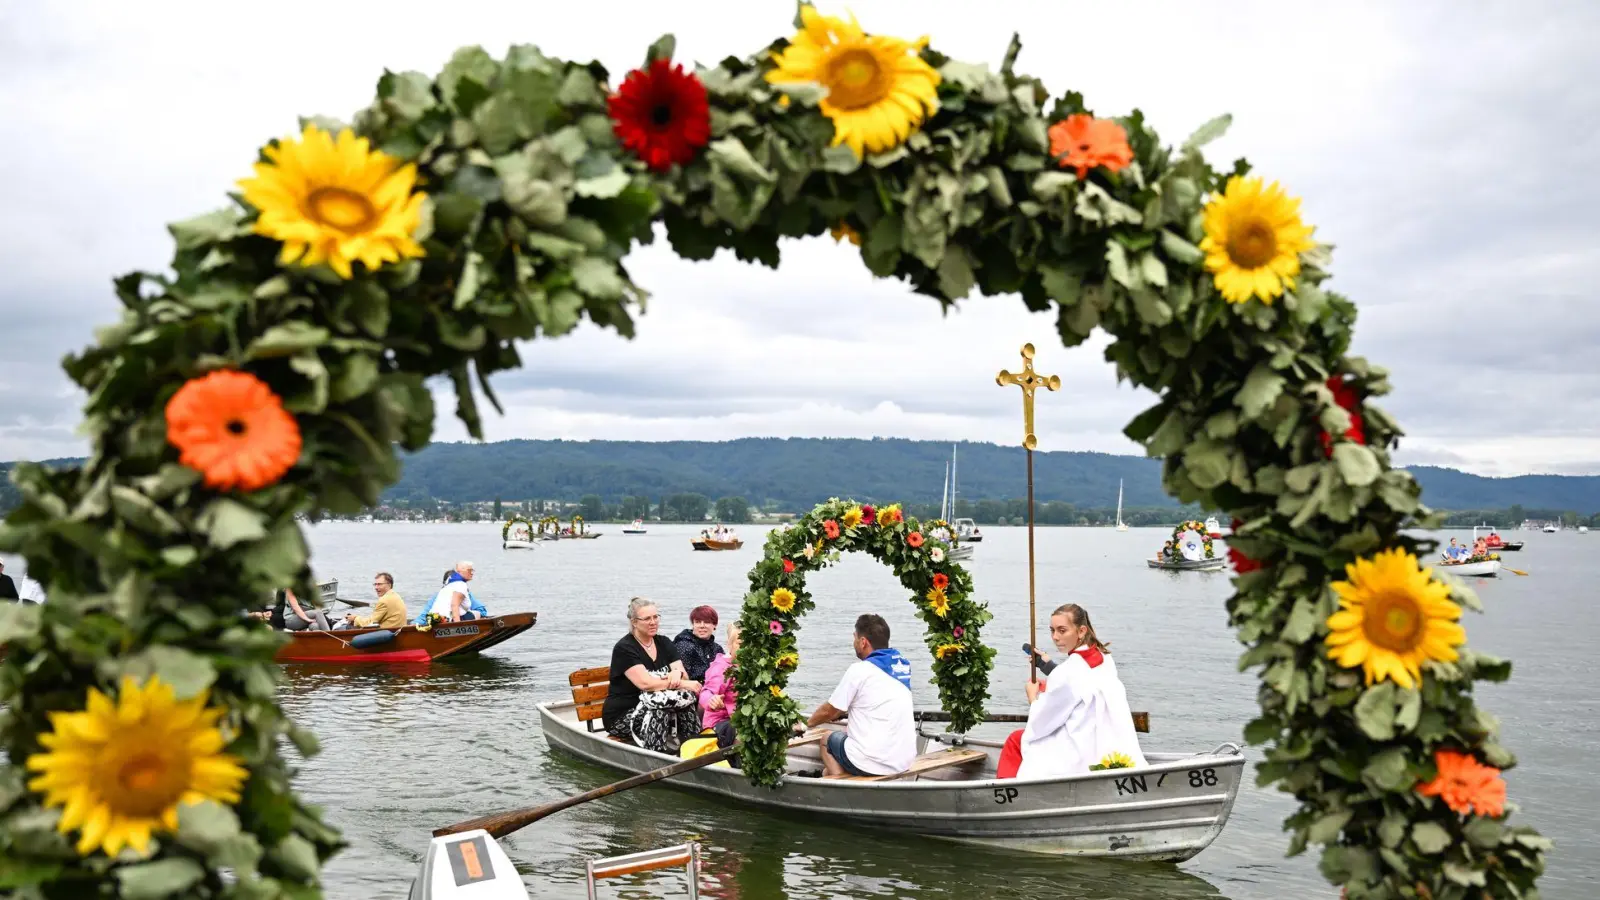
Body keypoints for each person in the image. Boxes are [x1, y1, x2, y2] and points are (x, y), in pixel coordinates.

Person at [997, 603, 1148, 779]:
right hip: (1106, 742)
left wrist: (1033, 697)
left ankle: (1006, 790)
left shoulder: (1065, 673)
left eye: (1062, 630)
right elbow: (1079, 682)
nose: (1055, 637)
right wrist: (1047, 666)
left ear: (1082, 631)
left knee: (1016, 739)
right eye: (1052, 630)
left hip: (1078, 751)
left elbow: (1042, 721)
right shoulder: (1104, 657)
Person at [798, 614, 915, 778]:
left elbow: (830, 711)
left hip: (873, 763)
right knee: (827, 770)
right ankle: (829, 775)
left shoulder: (859, 670)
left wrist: (804, 725)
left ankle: (840, 789)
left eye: (854, 638)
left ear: (863, 642)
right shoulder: (902, 666)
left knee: (826, 739)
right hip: (903, 762)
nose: (853, 643)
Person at [603, 597, 702, 752]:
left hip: (660, 702)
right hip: (623, 713)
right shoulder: (625, 648)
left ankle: (694, 750)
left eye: (656, 617)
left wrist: (677, 673)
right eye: (647, 618)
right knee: (659, 712)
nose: (653, 622)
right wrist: (680, 682)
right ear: (634, 622)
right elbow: (646, 684)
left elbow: (683, 674)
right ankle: (655, 757)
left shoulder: (664, 642)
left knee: (686, 705)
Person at [699, 621, 741, 749]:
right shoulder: (721, 668)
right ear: (730, 644)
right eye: (740, 644)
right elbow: (705, 693)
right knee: (745, 728)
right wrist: (712, 700)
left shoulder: (754, 668)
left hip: (742, 718)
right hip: (718, 725)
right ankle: (741, 765)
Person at [417, 561, 486, 625]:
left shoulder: (447, 586)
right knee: (478, 614)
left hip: (434, 619)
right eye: (469, 570)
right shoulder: (461, 585)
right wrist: (457, 626)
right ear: (460, 571)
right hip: (447, 620)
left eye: (472, 570)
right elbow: (454, 605)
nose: (472, 573)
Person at [673, 606, 725, 683]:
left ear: (714, 625)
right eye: (697, 622)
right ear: (693, 624)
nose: (702, 626)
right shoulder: (684, 646)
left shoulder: (717, 649)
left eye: (706, 622)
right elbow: (682, 679)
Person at [341, 572, 407, 630]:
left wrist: (355, 619)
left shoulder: (384, 600)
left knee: (342, 628)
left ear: (389, 585)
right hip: (396, 631)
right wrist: (356, 618)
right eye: (375, 584)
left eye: (379, 584)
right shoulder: (396, 596)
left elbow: (371, 623)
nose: (376, 587)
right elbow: (375, 619)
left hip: (385, 634)